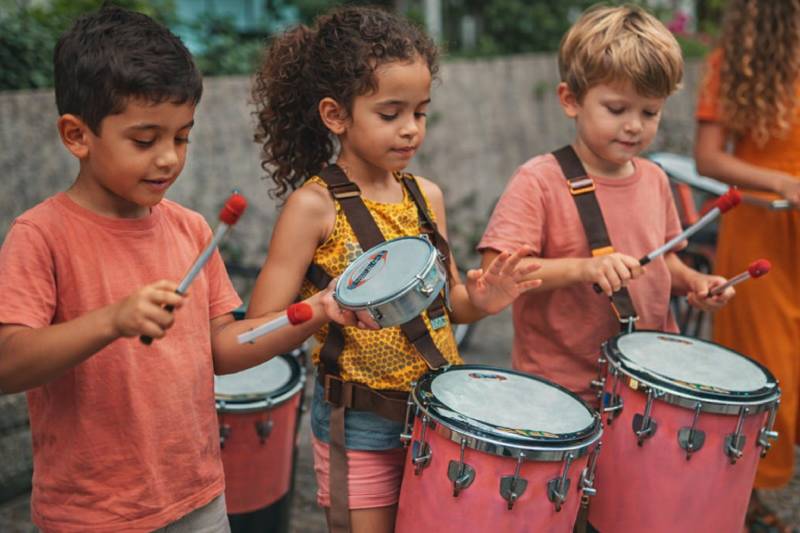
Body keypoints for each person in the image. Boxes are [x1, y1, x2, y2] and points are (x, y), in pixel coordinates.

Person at [0, 6, 353, 532]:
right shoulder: (41, 235)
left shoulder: (191, 230)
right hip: (92, 515)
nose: (168, 158)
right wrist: (111, 321)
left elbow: (222, 350)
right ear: (77, 136)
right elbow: (7, 363)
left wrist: (318, 312)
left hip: (199, 497)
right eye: (145, 141)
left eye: (181, 138)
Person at [248, 6, 539, 532]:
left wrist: (485, 302)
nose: (410, 130)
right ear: (336, 115)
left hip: (439, 414)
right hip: (358, 422)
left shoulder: (426, 196)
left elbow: (447, 302)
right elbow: (262, 325)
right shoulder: (313, 208)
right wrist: (323, 310)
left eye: (420, 113)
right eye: (390, 114)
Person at [478, 4, 735, 405]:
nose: (634, 124)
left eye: (650, 112)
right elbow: (497, 272)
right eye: (617, 109)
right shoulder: (538, 180)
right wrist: (586, 267)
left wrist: (695, 283)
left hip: (646, 384)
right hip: (560, 394)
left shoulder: (654, 178)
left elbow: (662, 262)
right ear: (571, 99)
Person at [694, 1, 800, 530]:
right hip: (764, 229)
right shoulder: (736, 58)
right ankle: (747, 499)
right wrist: (783, 182)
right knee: (766, 369)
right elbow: (708, 158)